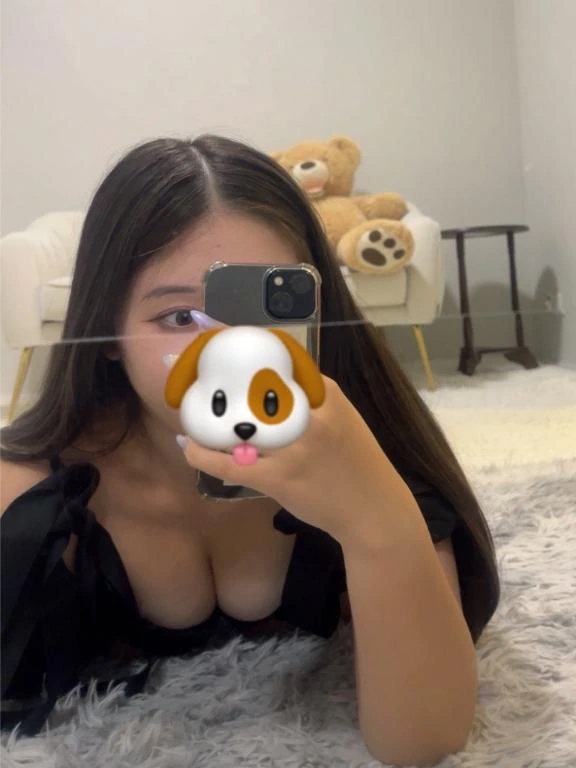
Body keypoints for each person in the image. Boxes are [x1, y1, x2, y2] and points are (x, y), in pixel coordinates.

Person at [0, 135, 499, 766]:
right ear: (106, 333)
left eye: (268, 311)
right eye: (180, 318)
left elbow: (423, 740)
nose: (234, 353)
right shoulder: (39, 499)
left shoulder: (367, 463)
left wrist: (377, 519)